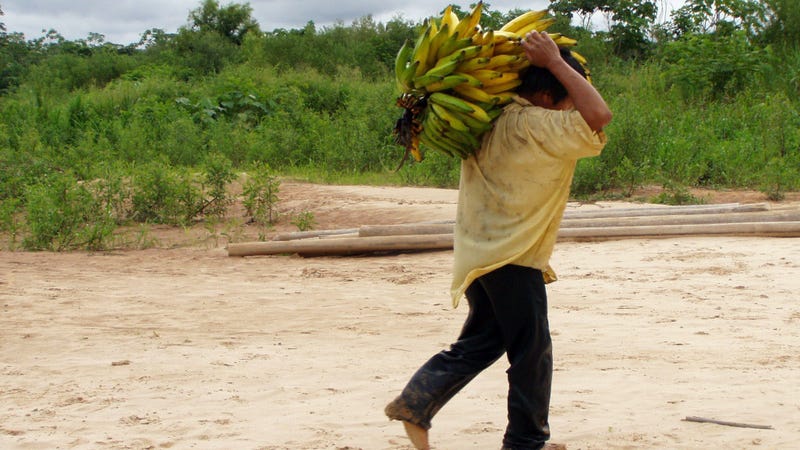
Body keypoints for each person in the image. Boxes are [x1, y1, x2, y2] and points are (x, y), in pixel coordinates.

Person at [384, 30, 612, 450]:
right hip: (512, 257)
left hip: (479, 255)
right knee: (532, 351)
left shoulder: (492, 120)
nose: (569, 107)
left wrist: (552, 67)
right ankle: (525, 442)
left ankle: (416, 402)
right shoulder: (536, 125)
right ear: (547, 96)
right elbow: (598, 115)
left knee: (485, 340)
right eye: (565, 97)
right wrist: (557, 62)